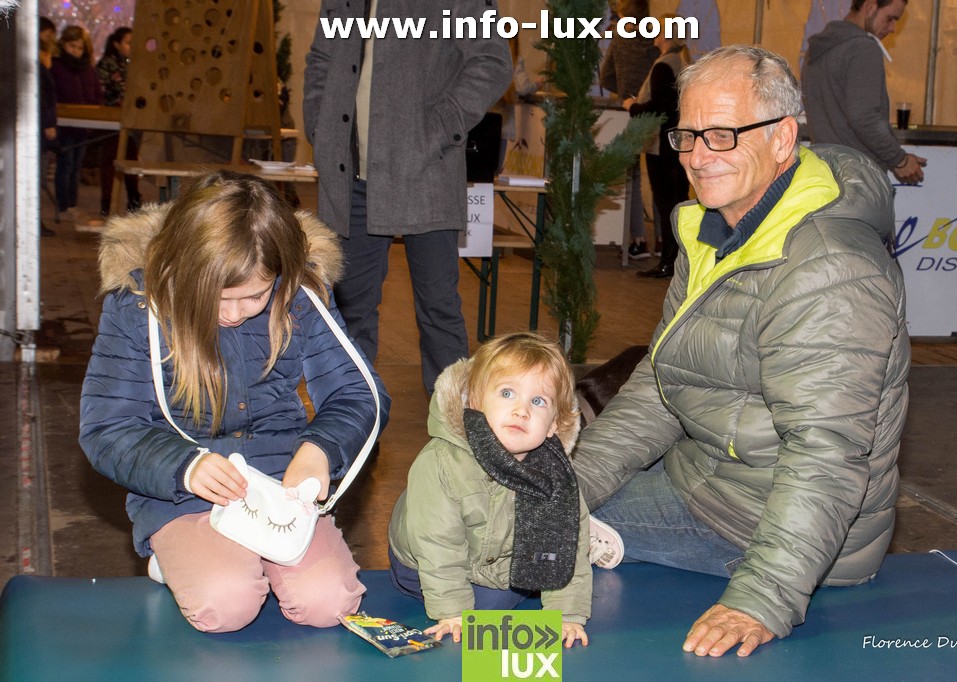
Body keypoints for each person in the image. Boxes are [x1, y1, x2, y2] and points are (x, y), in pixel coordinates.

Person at [571, 45, 909, 657]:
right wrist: (573, 481)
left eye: (723, 135)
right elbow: (664, 384)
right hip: (711, 482)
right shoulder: (715, 228)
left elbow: (827, 454)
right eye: (687, 135)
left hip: (767, 528)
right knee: (498, 503)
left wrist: (761, 598)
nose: (698, 156)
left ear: (783, 138)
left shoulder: (828, 267)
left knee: (493, 530)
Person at [79, 171, 392, 633]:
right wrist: (185, 466)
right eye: (216, 297)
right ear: (184, 269)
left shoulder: (301, 298)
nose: (231, 313)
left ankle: (231, 558)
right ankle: (184, 557)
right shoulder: (137, 307)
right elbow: (106, 427)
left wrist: (320, 450)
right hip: (183, 492)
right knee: (226, 605)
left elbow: (359, 392)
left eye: (253, 297)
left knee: (330, 604)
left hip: (278, 488)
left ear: (281, 274)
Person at [303, 1, 512, 393]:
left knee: (438, 310)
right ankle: (352, 413)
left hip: (425, 171)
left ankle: (453, 418)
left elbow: (492, 62)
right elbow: (321, 58)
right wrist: (319, 125)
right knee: (348, 311)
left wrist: (438, 129)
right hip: (350, 176)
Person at [388, 332, 592, 647]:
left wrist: (566, 614)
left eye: (538, 401)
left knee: (502, 597)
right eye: (507, 393)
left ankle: (517, 582)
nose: (522, 411)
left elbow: (569, 544)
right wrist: (453, 611)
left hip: (496, 562)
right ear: (475, 402)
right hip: (423, 562)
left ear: (554, 424)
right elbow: (436, 543)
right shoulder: (441, 462)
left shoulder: (555, 475)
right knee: (487, 606)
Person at [802, 0, 926, 185]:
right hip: (859, 179)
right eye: (890, 18)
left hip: (823, 173)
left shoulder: (817, 50)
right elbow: (864, 117)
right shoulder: (863, 48)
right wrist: (899, 160)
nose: (892, 28)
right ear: (871, 6)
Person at [621, 16, 691, 279]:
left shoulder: (663, 66)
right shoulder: (680, 61)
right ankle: (675, 261)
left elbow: (661, 108)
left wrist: (633, 107)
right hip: (678, 143)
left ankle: (668, 262)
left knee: (666, 204)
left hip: (662, 146)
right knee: (677, 204)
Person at [600, 0, 660, 259]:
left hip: (628, 111)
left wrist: (625, 92)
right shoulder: (655, 37)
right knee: (658, 178)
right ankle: (662, 239)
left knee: (632, 176)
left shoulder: (619, 38)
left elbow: (605, 76)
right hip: (654, 111)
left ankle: (638, 240)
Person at [50, 25, 103, 221]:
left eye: (79, 48)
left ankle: (72, 204)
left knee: (76, 166)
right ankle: (63, 204)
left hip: (83, 126)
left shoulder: (88, 69)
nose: (75, 51)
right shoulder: (56, 66)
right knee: (66, 165)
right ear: (63, 44)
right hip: (64, 125)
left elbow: (96, 93)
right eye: (72, 46)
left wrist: (94, 113)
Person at [96, 26, 142, 216]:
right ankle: (108, 202)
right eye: (128, 42)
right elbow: (104, 91)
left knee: (130, 158)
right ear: (117, 44)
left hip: (132, 119)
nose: (132, 46)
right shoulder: (107, 64)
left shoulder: (134, 64)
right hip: (111, 119)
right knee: (110, 159)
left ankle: (133, 198)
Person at [38, 17, 59, 237]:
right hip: (40, 130)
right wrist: (48, 124)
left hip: (41, 128)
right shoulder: (39, 71)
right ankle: (35, 221)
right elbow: (43, 99)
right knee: (39, 178)